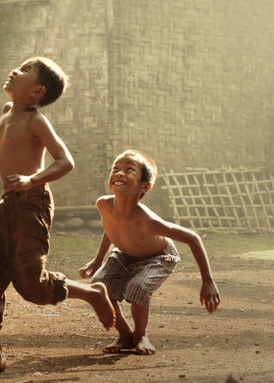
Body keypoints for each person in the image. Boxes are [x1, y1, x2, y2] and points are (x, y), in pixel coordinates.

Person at [0, 57, 115, 374]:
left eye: (25, 70)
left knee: (32, 286)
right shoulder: (4, 113)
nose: (15, 69)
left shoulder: (35, 121)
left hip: (31, 203)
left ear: (36, 91)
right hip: (8, 206)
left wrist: (32, 179)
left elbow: (65, 161)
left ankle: (93, 294)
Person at [78, 150, 221, 355]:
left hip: (158, 258)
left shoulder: (148, 221)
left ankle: (141, 335)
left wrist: (207, 281)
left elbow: (193, 238)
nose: (119, 173)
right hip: (123, 255)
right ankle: (125, 335)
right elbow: (111, 228)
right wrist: (98, 259)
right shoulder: (104, 205)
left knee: (138, 288)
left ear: (145, 187)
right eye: (116, 169)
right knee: (100, 286)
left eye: (129, 170)